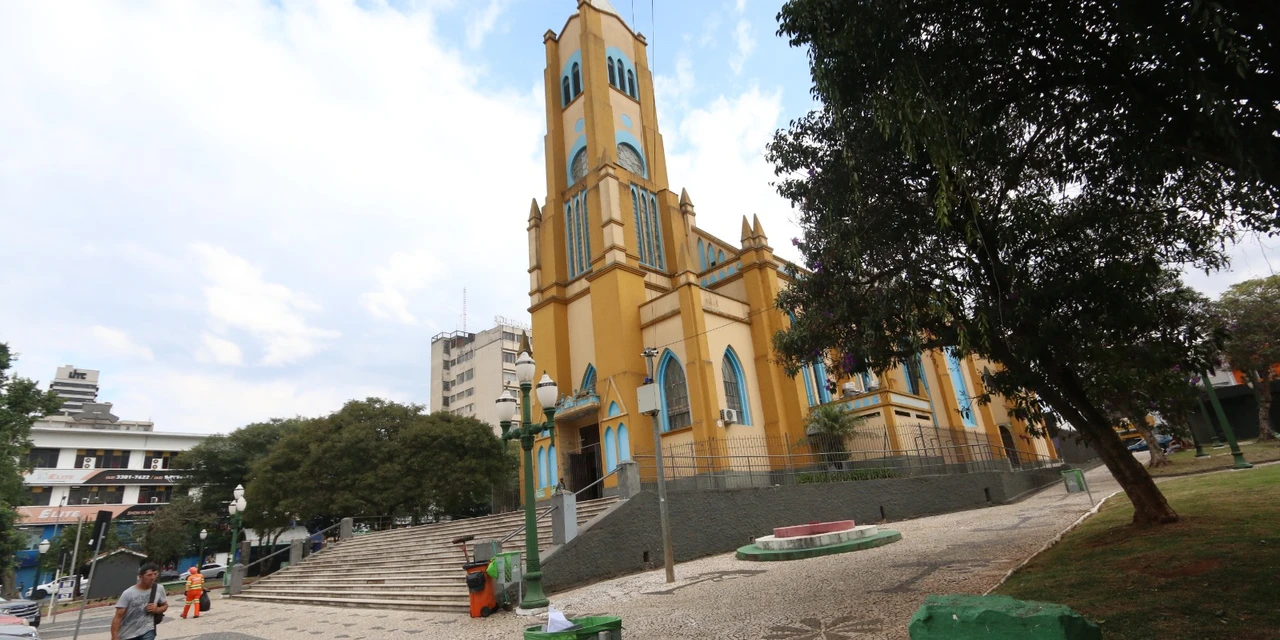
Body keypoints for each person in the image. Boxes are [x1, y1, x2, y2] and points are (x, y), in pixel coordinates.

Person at [111, 562, 168, 640]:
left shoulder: (159, 588)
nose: (153, 577)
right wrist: (114, 637)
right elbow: (118, 617)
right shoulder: (128, 593)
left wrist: (157, 609)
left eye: (155, 574)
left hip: (148, 631)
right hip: (128, 634)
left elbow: (165, 605)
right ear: (140, 576)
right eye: (149, 575)